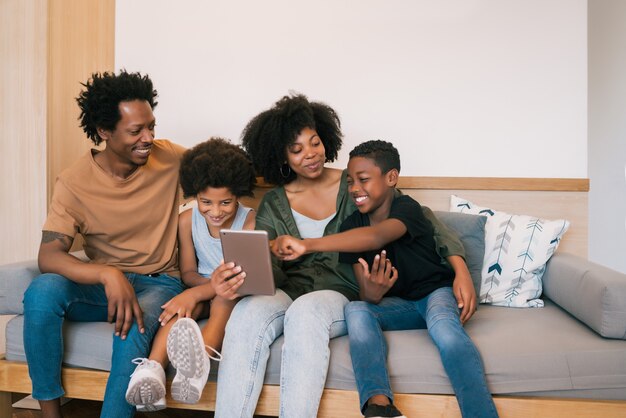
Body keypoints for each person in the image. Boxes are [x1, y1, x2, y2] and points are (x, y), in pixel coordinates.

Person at [214, 94, 473, 418]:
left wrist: (460, 269)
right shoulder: (275, 202)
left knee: (306, 313)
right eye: (296, 150)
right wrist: (266, 256)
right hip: (289, 290)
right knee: (246, 313)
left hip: (341, 291)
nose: (310, 155)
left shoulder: (356, 182)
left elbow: (423, 221)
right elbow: (271, 272)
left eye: (314, 143)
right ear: (281, 156)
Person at [272, 140, 498, 418]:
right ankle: (380, 407)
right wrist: (373, 291)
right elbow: (366, 295)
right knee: (356, 309)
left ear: (391, 178)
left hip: (434, 295)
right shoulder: (350, 227)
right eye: (350, 182)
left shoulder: (407, 209)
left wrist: (307, 244)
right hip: (400, 306)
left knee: (447, 333)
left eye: (363, 180)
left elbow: (378, 235)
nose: (355, 188)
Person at [22, 70, 187, 418]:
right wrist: (107, 274)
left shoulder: (169, 158)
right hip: (104, 288)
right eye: (135, 131)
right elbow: (48, 255)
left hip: (159, 282)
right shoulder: (73, 182)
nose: (148, 137)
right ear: (104, 131)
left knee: (132, 325)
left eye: (151, 126)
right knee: (41, 292)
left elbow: (223, 170)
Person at [125, 138, 256, 411]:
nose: (216, 211)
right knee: (180, 308)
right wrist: (201, 288)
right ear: (194, 194)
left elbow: (240, 280)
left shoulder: (250, 222)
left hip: (234, 292)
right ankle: (152, 370)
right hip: (203, 285)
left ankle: (199, 364)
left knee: (222, 298)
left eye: (226, 203)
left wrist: (211, 289)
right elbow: (188, 272)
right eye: (206, 202)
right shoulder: (186, 221)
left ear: (239, 196)